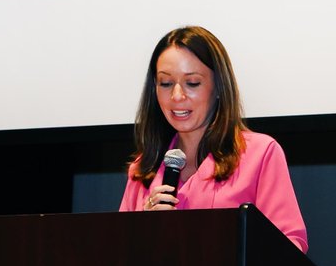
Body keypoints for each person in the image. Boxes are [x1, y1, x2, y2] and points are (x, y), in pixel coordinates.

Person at [119, 26, 308, 253]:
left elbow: (290, 247)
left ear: (218, 87)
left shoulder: (260, 154)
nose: (177, 96)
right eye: (166, 83)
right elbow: (120, 262)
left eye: (193, 83)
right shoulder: (143, 169)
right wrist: (143, 230)